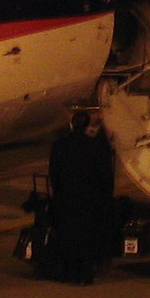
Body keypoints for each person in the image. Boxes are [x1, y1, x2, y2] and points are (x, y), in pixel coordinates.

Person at [47, 110, 115, 284]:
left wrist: (58, 194)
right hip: (89, 200)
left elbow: (54, 174)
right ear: (86, 125)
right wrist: (106, 197)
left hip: (66, 199)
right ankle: (84, 274)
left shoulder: (60, 146)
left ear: (72, 124)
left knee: (68, 236)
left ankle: (68, 272)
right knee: (86, 238)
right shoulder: (94, 147)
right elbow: (105, 175)